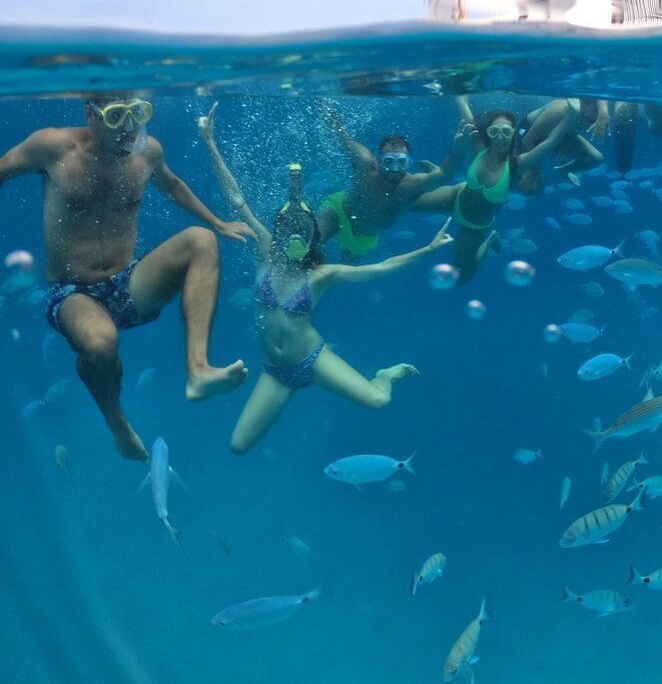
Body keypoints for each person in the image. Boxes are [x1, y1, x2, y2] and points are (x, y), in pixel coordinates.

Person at [0, 96, 253, 462]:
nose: (129, 128)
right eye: (115, 117)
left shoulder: (147, 152)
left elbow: (173, 185)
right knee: (101, 343)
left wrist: (218, 222)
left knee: (202, 241)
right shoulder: (53, 146)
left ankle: (198, 370)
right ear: (90, 114)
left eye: (137, 113)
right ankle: (116, 421)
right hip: (71, 293)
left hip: (127, 282)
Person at [197, 104, 451, 453]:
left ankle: (385, 375)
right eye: (290, 230)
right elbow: (237, 201)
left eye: (304, 231)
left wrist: (427, 249)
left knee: (379, 400)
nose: (296, 237)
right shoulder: (265, 252)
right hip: (275, 370)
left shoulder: (322, 274)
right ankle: (284, 401)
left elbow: (379, 268)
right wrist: (210, 142)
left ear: (312, 235)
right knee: (238, 446)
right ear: (280, 232)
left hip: (313, 360)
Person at [412, 107, 572, 285]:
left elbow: (548, 144)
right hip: (456, 196)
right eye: (494, 131)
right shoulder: (480, 148)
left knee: (461, 277)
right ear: (488, 133)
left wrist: (570, 117)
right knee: (407, 202)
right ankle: (437, 174)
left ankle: (490, 239)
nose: (500, 137)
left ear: (513, 134)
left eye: (506, 132)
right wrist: (459, 97)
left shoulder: (517, 165)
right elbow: (467, 117)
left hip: (474, 225)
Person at [315, 100, 467, 260]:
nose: (395, 169)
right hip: (338, 211)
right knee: (314, 241)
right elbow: (342, 135)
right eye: (389, 162)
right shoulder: (366, 166)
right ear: (379, 161)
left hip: (364, 236)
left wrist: (459, 148)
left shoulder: (412, 185)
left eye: (401, 163)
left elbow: (445, 174)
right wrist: (326, 108)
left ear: (409, 163)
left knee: (345, 270)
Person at [517, 97, 610, 188]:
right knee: (529, 187)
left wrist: (566, 144)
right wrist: (537, 175)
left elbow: (573, 129)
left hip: (561, 134)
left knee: (596, 158)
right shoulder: (559, 111)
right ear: (583, 104)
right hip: (527, 132)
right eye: (595, 110)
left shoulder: (597, 116)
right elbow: (527, 140)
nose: (598, 118)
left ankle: (563, 170)